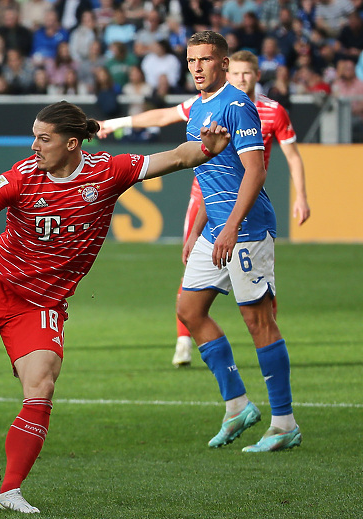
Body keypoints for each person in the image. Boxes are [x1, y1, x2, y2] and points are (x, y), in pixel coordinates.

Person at [0, 100, 232, 513]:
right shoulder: (20, 175)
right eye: (34, 136)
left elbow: (174, 157)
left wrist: (207, 148)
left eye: (43, 139)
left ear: (71, 143)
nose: (34, 146)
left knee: (41, 386)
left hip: (41, 304)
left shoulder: (107, 172)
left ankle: (8, 491)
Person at [98, 48, 310, 368]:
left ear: (255, 76)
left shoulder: (269, 111)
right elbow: (163, 115)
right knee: (191, 278)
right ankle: (184, 342)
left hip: (244, 199)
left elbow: (289, 157)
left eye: (246, 74)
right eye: (236, 73)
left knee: (258, 297)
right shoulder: (203, 104)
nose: (240, 78)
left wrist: (301, 195)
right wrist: (115, 123)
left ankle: (266, 361)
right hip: (205, 196)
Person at [175, 32, 301, 454]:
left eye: (205, 60)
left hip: (246, 228)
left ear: (224, 63)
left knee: (257, 321)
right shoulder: (197, 111)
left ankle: (284, 423)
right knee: (189, 309)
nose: (196, 67)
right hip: (215, 229)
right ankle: (237, 405)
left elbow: (255, 171)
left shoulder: (237, 104)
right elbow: (211, 177)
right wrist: (196, 230)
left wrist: (230, 227)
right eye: (191, 60)